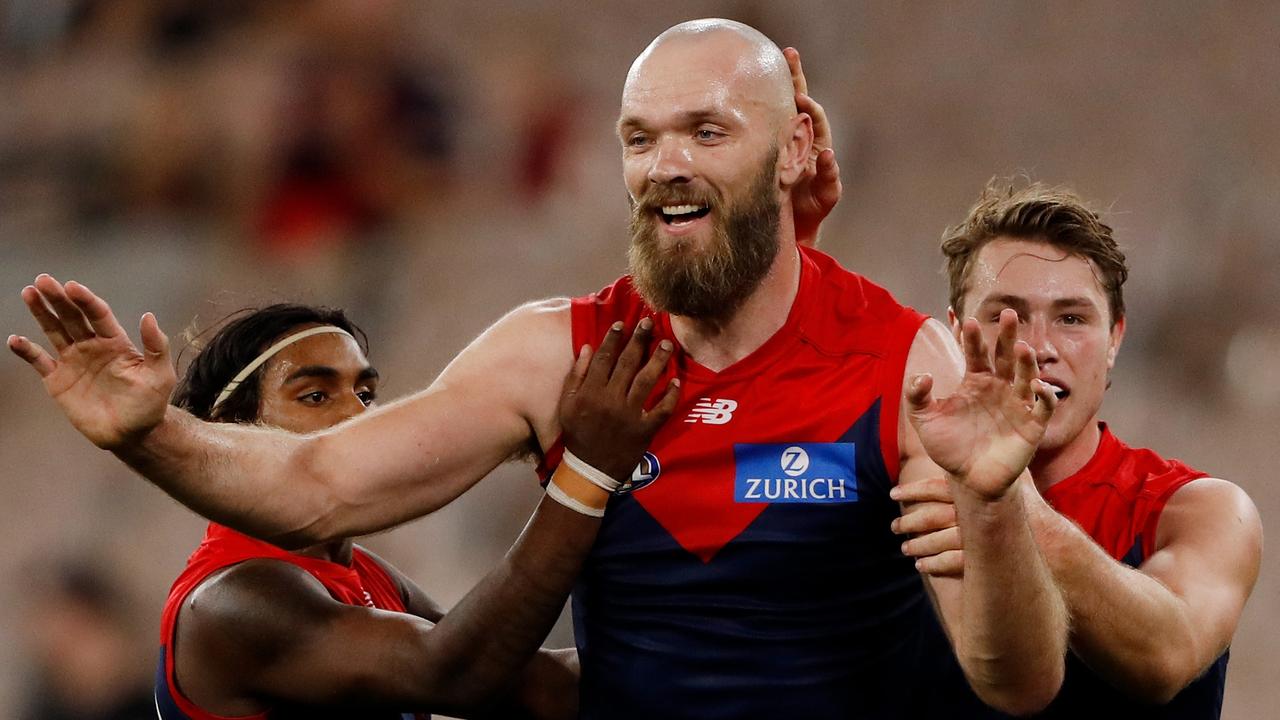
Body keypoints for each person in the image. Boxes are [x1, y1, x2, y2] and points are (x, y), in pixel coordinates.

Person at [10, 20, 1069, 719]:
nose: (667, 163)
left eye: (707, 130)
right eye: (639, 137)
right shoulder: (553, 354)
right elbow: (319, 494)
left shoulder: (904, 366)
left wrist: (990, 507)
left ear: (792, 148)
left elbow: (1015, 685)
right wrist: (153, 433)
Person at [152, 303, 679, 718]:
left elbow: (536, 689)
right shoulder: (231, 601)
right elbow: (457, 674)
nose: (359, 416)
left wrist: (717, 658)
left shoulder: (366, 575)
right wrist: (585, 473)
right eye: (315, 396)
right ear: (231, 433)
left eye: (366, 392)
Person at [891, 182, 1263, 718]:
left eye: (1071, 318)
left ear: (1114, 340)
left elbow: (1166, 657)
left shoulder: (1201, 510)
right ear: (954, 335)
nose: (1039, 349)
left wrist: (1006, 511)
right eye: (1005, 316)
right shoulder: (906, 500)